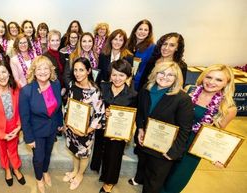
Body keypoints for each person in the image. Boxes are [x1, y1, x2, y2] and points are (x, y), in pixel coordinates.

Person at [161, 64, 237, 193]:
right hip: (174, 138)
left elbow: (217, 135)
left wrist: (218, 157)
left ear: (227, 83)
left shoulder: (228, 108)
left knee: (175, 182)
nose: (211, 82)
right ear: (203, 77)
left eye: (219, 80)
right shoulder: (189, 90)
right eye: (209, 77)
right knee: (159, 174)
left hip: (193, 148)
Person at [135, 62, 194, 193]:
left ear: (176, 78)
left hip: (164, 148)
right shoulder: (146, 89)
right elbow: (140, 112)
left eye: (170, 75)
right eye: (161, 73)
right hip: (145, 141)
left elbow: (185, 129)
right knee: (144, 168)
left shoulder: (182, 99)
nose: (165, 77)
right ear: (155, 73)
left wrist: (173, 152)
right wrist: (140, 128)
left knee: (154, 180)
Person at [19, 56, 63, 193]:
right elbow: (24, 117)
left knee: (48, 153)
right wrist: (29, 138)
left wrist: (60, 123)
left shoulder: (56, 84)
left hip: (52, 128)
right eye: (39, 68)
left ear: (50, 71)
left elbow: (58, 107)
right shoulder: (27, 90)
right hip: (36, 131)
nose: (43, 71)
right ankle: (39, 179)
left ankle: (45, 171)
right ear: (34, 71)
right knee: (38, 158)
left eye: (46, 68)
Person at [63, 57, 105, 190]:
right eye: (75, 70)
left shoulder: (94, 91)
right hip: (71, 127)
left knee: (83, 153)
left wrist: (86, 131)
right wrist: (66, 123)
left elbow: (99, 114)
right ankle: (75, 171)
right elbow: (68, 105)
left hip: (86, 131)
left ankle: (80, 174)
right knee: (74, 151)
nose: (77, 73)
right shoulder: (72, 85)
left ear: (88, 71)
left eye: (81, 70)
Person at [98, 59, 137, 193]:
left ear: (127, 76)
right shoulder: (103, 87)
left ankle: (109, 182)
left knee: (114, 156)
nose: (117, 78)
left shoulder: (132, 95)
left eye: (121, 75)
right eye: (114, 74)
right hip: (102, 128)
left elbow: (133, 117)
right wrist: (104, 111)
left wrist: (128, 134)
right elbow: (96, 106)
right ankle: (104, 175)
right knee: (104, 153)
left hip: (119, 133)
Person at [127, 19, 156, 91]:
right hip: (122, 80)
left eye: (146, 30)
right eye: (140, 29)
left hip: (139, 83)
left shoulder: (152, 47)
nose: (142, 32)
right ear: (135, 30)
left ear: (149, 33)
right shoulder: (127, 43)